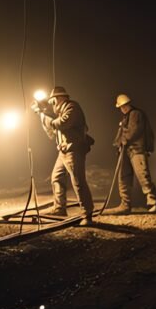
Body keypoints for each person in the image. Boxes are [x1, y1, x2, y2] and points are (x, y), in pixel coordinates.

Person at [32, 86, 96, 226]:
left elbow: (61, 123)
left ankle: (87, 214)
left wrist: (44, 115)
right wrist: (42, 113)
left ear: (59, 98)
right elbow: (52, 131)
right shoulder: (61, 110)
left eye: (52, 100)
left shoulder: (72, 107)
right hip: (64, 151)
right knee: (57, 177)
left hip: (74, 150)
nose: (52, 103)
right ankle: (60, 208)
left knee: (78, 182)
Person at [107, 93, 156, 214]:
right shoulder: (126, 116)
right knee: (123, 177)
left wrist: (124, 140)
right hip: (127, 150)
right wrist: (119, 144)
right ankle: (125, 204)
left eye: (125, 105)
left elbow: (134, 130)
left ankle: (154, 203)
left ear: (129, 104)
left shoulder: (136, 114)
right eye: (121, 106)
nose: (123, 108)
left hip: (137, 150)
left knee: (143, 176)